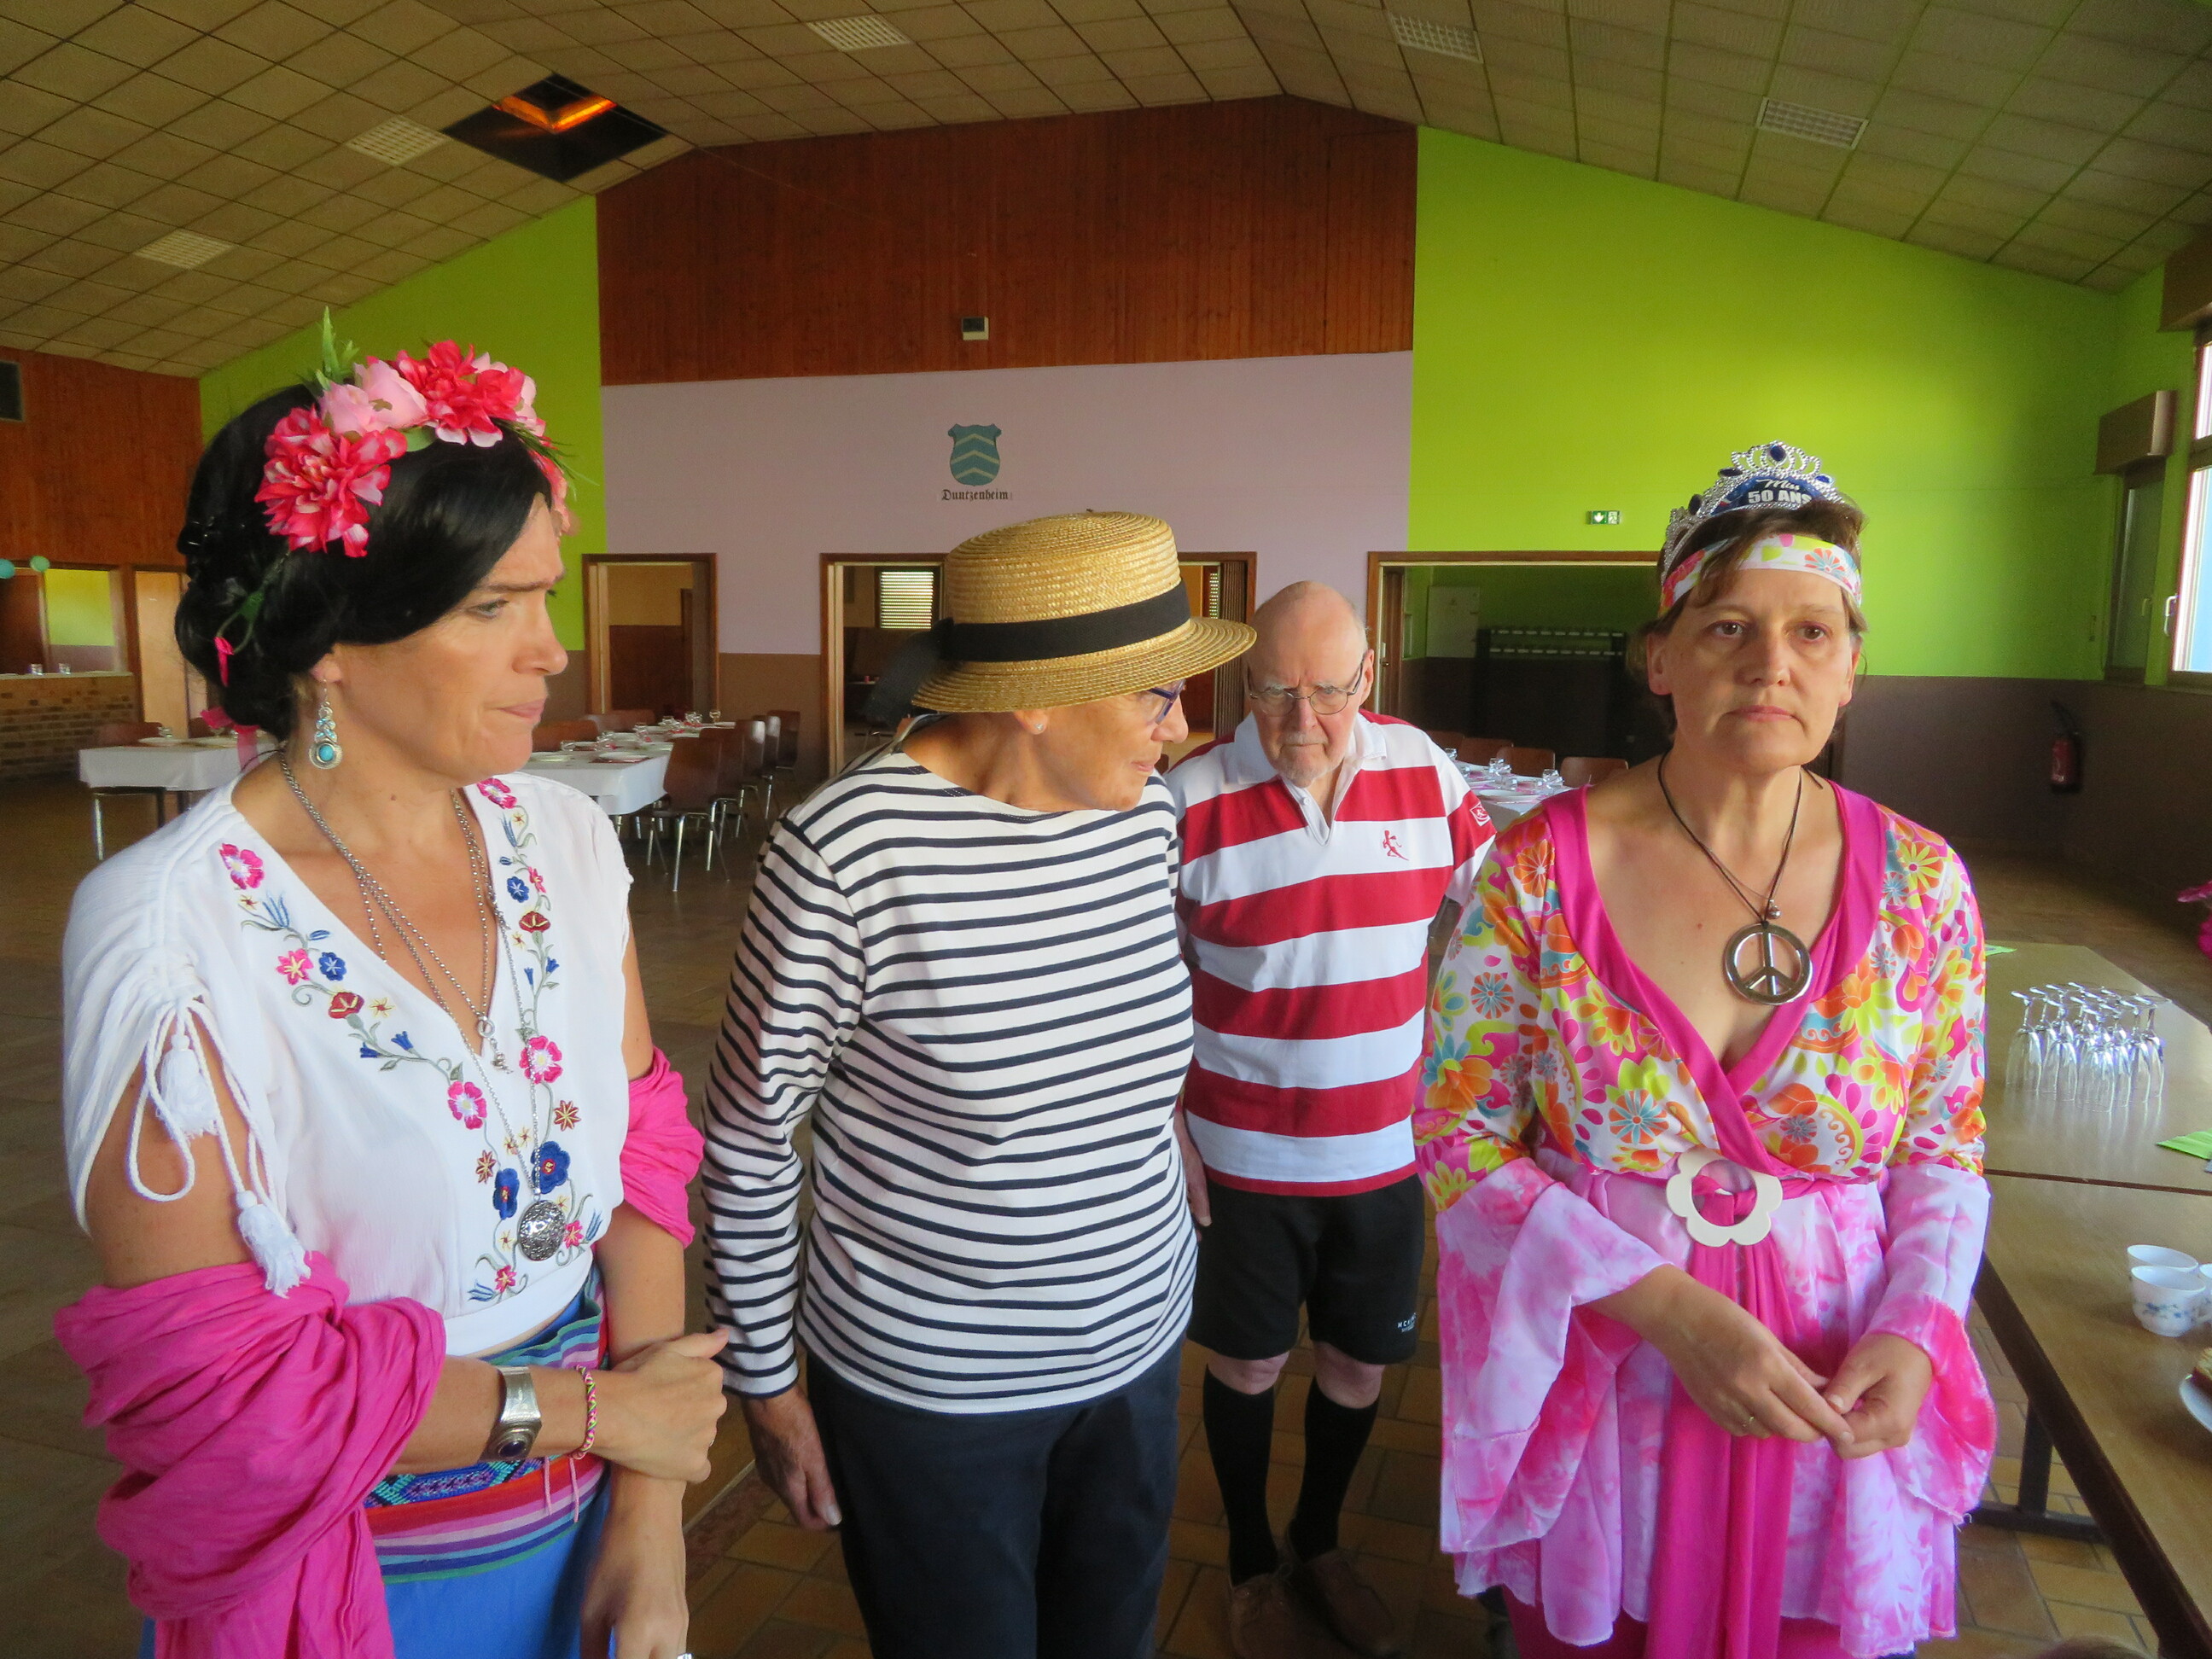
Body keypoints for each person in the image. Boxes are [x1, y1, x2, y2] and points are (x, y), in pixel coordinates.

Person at [55, 339, 725, 1659]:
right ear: (332, 644)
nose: (552, 652)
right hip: (361, 1570)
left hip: (594, 1520)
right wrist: (599, 1415)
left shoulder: (565, 841)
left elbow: (642, 1154)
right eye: (491, 609)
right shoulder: (174, 929)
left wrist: (650, 1521)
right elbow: (225, 1383)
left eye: (545, 597)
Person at [1417, 442, 1995, 1659]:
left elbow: (1944, 1146)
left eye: (1812, 633)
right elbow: (1458, 1136)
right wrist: (1667, 1307)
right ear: (1661, 658)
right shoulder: (1534, 874)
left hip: (1829, 1395)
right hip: (1608, 1390)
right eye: (1728, 627)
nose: (1771, 664)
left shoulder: (1923, 886)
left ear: (1852, 669)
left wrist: (1915, 1328)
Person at [703, 511, 1254, 1659]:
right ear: (1034, 698)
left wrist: (1155, 1127)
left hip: (1136, 1344)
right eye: (1156, 695)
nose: (1181, 726)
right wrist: (765, 1383)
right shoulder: (846, 855)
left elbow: (1117, 1032)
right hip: (931, 1390)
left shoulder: (1143, 815)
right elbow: (750, 1141)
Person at [1165, 582, 1493, 1658]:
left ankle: (1319, 1540)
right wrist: (1168, 1122)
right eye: (1272, 693)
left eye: (1328, 693)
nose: (1302, 723)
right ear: (1240, 684)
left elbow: (1501, 920)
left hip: (1386, 1155)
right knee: (1248, 1368)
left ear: (1370, 673)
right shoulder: (1187, 797)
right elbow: (1133, 982)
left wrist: (1477, 1082)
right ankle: (1250, 1560)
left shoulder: (1426, 772)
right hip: (1241, 1157)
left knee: (1358, 1368)